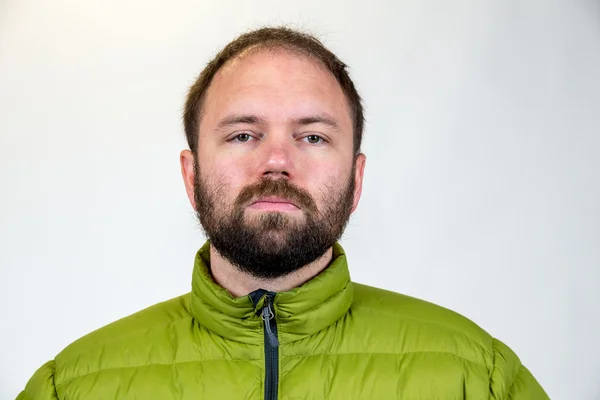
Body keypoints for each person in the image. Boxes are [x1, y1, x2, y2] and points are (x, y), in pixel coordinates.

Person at [17, 26, 549, 400]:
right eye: (243, 134)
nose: (276, 162)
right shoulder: (72, 387)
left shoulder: (479, 380)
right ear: (190, 175)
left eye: (312, 136)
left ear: (356, 178)